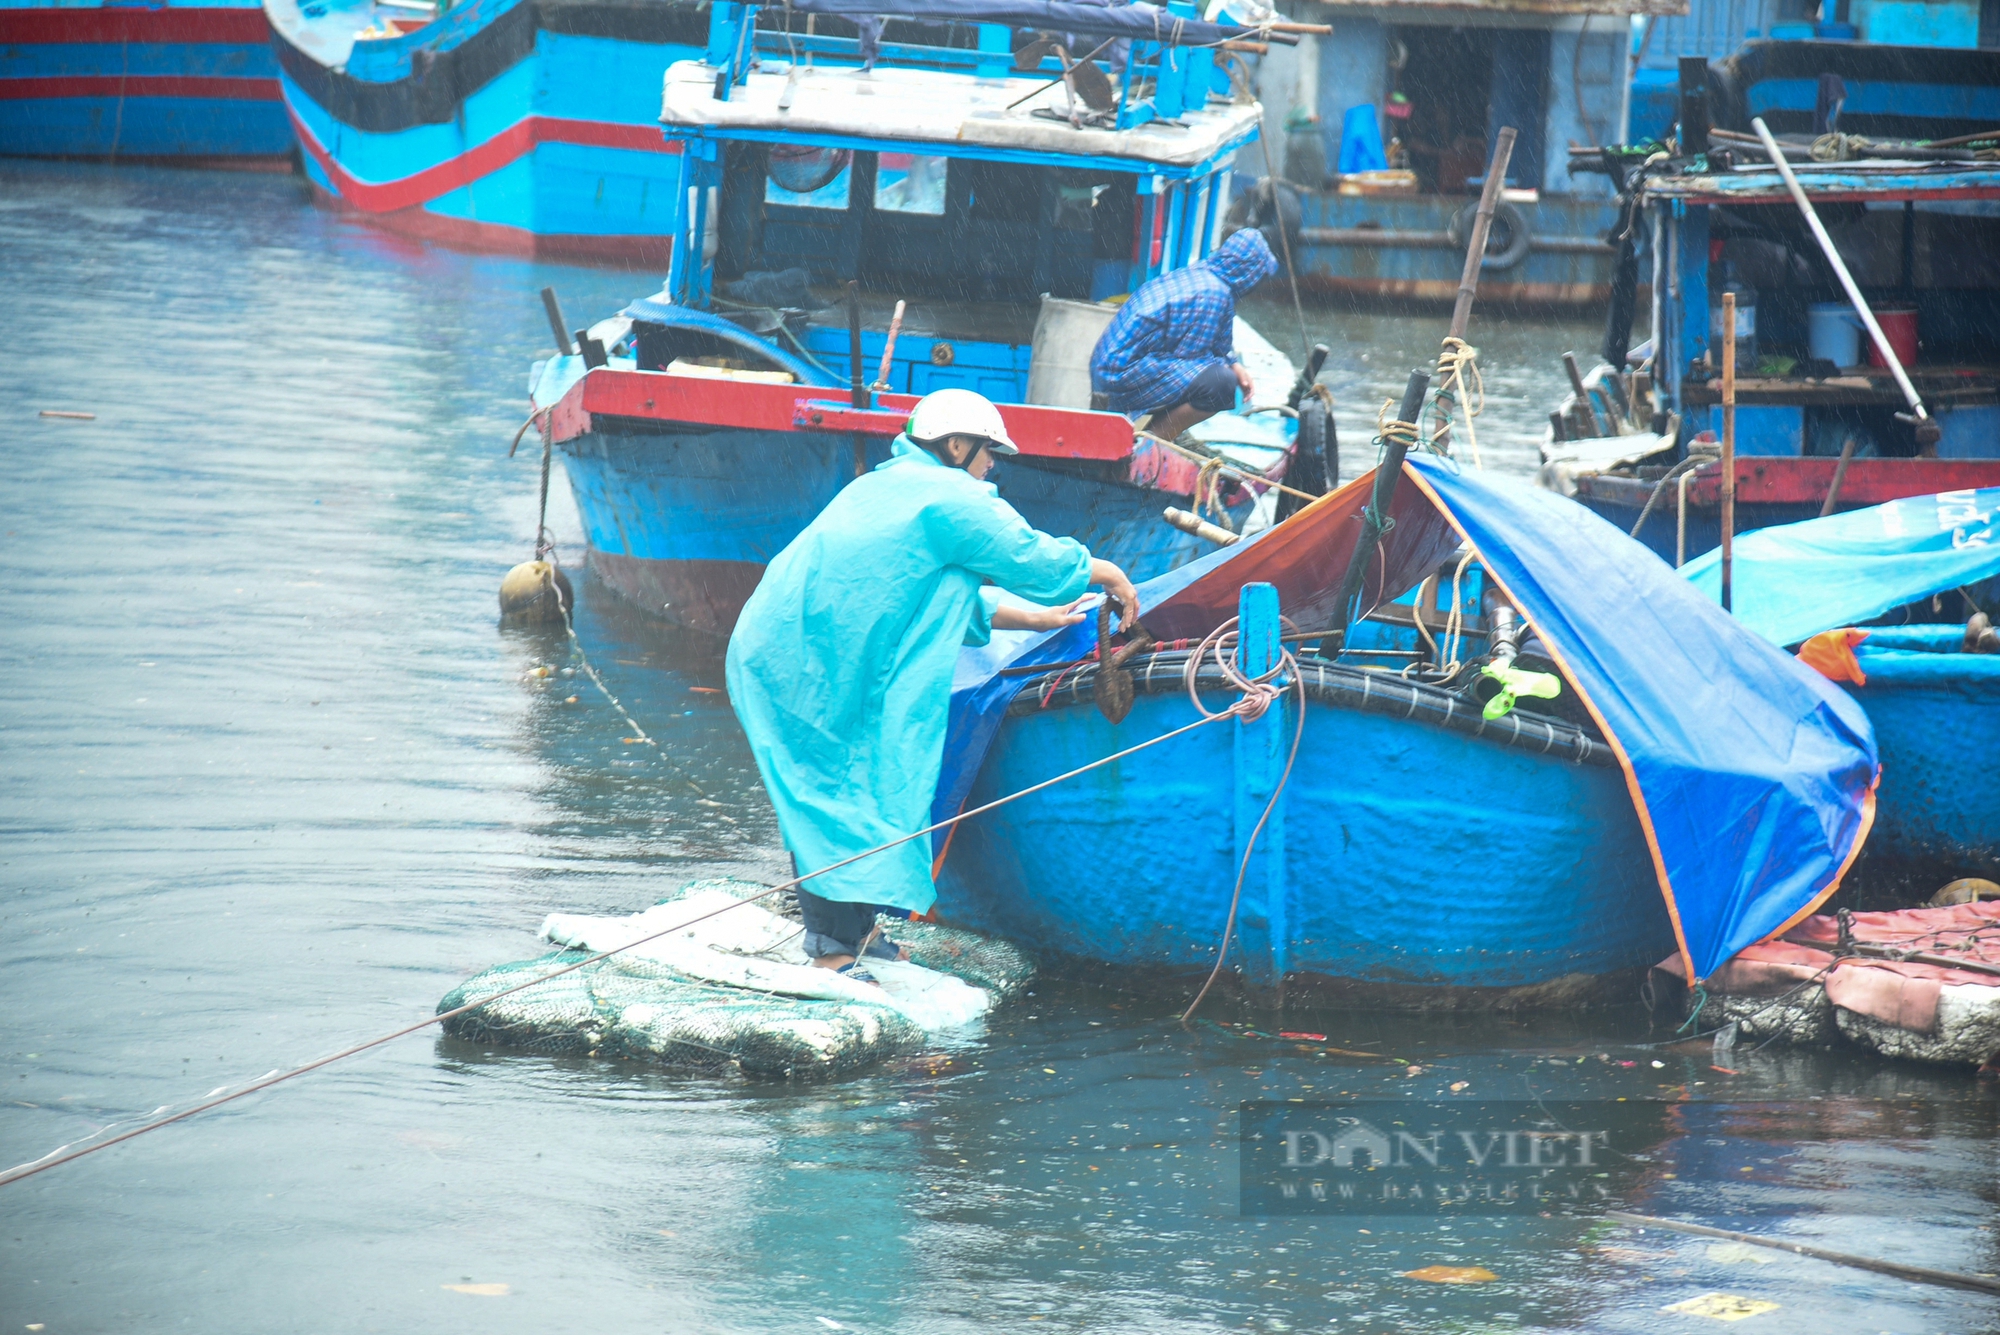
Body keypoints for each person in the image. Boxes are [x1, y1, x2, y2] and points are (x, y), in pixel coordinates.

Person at [726, 388, 1142, 982]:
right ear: (955, 445)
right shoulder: (949, 497)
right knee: (832, 791)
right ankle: (832, 947)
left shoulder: (891, 486)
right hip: (803, 660)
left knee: (862, 783)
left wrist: (1039, 617)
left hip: (803, 651)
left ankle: (858, 930)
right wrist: (1111, 574)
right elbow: (1034, 561)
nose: (992, 465)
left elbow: (938, 593)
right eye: (987, 452)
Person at [1088, 226, 1279, 441]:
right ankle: (1151, 444)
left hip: (1107, 364)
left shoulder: (1203, 274)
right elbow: (1190, 357)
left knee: (1218, 374)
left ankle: (1147, 439)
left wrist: (1234, 364)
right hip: (1119, 373)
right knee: (1220, 385)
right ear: (1249, 273)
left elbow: (1219, 341)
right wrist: (1228, 371)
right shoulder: (1214, 295)